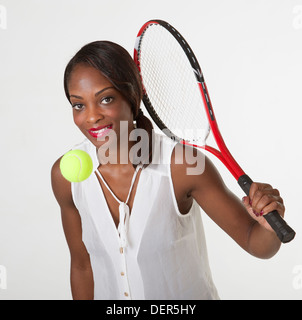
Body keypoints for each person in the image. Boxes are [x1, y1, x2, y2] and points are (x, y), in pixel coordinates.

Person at [51, 41, 285, 300]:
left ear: (133, 96)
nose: (92, 117)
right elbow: (82, 266)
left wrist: (268, 226)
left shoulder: (184, 167)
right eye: (78, 105)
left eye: (106, 99)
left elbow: (256, 243)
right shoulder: (65, 177)